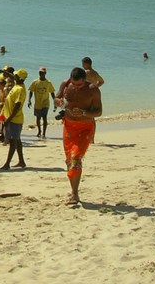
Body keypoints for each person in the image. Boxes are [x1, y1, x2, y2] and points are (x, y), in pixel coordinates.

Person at [55, 66, 102, 205]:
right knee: (70, 160)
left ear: (85, 80)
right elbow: (56, 100)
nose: (77, 87)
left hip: (85, 128)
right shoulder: (65, 85)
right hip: (69, 126)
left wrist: (85, 113)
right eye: (74, 84)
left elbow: (98, 111)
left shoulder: (93, 90)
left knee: (76, 158)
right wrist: (61, 103)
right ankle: (73, 191)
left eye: (80, 84)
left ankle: (75, 194)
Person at [0, 68, 28, 170]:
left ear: (19, 78)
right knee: (17, 140)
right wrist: (4, 72)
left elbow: (17, 105)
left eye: (16, 76)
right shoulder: (17, 84)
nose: (14, 76)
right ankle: (21, 161)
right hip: (10, 118)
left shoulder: (20, 89)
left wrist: (9, 118)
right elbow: (12, 76)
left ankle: (7, 163)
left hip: (15, 119)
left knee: (12, 141)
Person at [27, 67, 55, 138]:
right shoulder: (35, 82)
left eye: (42, 73)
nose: (41, 74)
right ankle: (39, 130)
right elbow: (31, 91)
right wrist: (29, 100)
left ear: (45, 73)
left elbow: (52, 92)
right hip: (37, 103)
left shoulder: (48, 83)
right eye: (40, 72)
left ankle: (44, 133)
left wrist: (55, 101)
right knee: (38, 118)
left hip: (45, 103)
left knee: (45, 117)